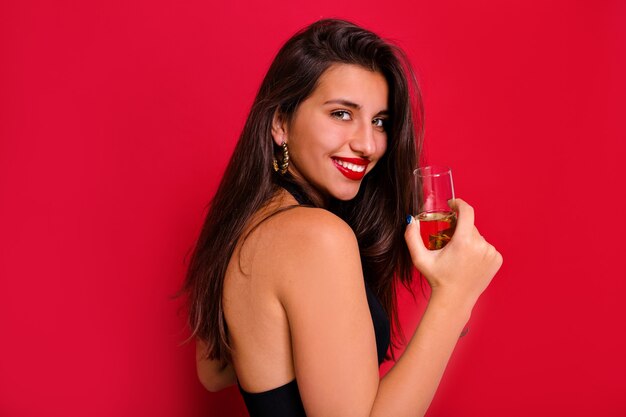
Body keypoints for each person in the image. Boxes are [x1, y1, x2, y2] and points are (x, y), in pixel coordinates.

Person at [183, 18, 502, 417]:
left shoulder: (250, 226)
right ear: (280, 123)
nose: (368, 144)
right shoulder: (317, 236)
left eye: (379, 122)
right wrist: (455, 295)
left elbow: (214, 371)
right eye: (341, 114)